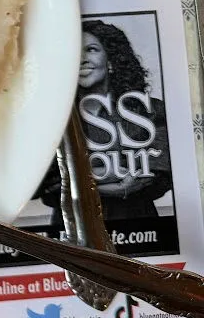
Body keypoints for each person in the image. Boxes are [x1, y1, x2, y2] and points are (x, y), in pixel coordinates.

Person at [37, 20, 171, 225]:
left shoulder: (149, 111)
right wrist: (114, 174)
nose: (82, 59)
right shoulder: (47, 117)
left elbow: (158, 171)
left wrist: (80, 178)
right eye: (74, 49)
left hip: (137, 225)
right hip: (71, 229)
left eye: (91, 50)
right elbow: (40, 182)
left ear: (111, 60)